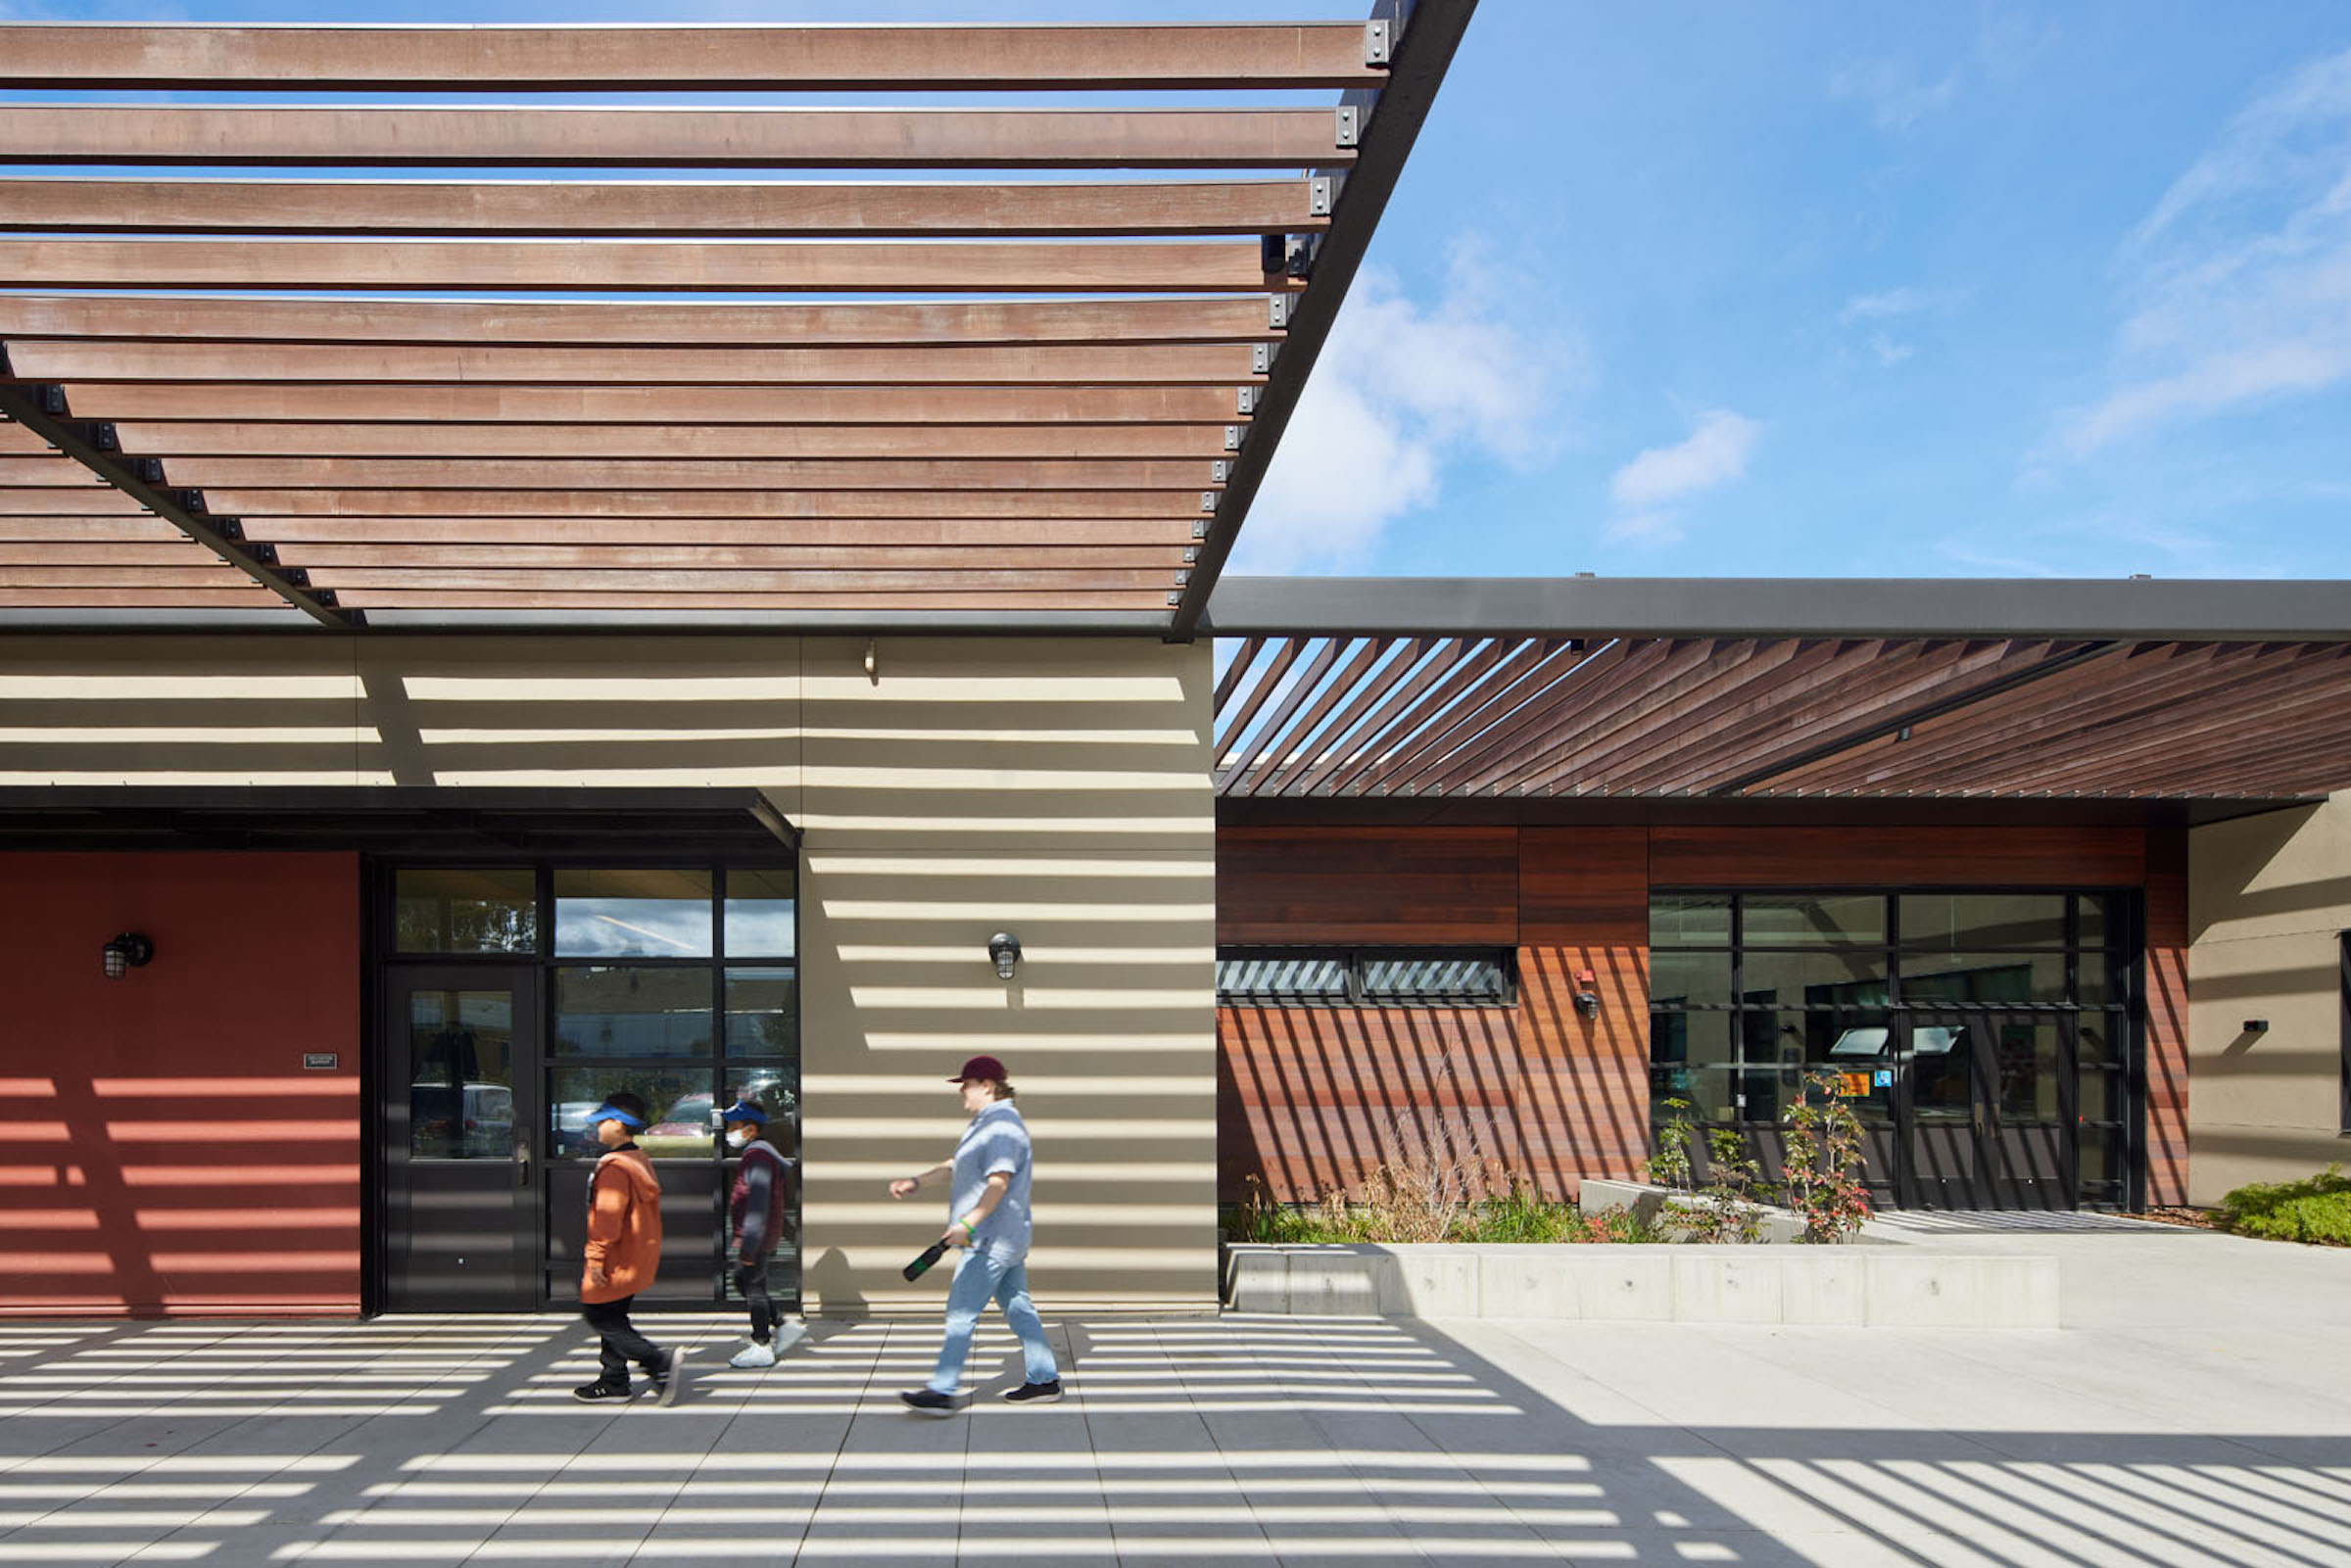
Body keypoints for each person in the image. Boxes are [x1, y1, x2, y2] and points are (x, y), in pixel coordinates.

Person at [888, 1053, 1061, 1414]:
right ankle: (1044, 1380)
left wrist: (968, 1223)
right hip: (1003, 1238)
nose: (961, 1092)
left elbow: (999, 1182)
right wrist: (917, 1182)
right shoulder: (985, 1124)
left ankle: (942, 1390)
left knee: (960, 1314)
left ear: (987, 1086)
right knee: (1017, 1306)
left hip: (990, 1239)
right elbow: (957, 1166)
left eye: (966, 1085)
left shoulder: (1002, 1127)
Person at [572, 1092, 689, 1405]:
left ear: (619, 1124)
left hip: (616, 1258)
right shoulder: (637, 1158)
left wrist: (595, 1259)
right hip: (635, 1257)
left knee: (599, 1314)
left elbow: (607, 1220)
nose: (597, 1128)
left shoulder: (615, 1168)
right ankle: (614, 1380)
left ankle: (658, 1363)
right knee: (615, 1315)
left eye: (602, 1122)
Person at [720, 1097, 797, 1368]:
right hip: (757, 1235)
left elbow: (758, 1205)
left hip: (756, 1236)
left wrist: (749, 1246)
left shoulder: (759, 1156)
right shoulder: (757, 1154)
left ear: (751, 1129)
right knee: (745, 1281)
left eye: (734, 1126)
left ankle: (762, 1344)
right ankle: (782, 1325)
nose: (729, 1131)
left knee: (752, 1286)